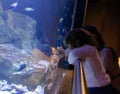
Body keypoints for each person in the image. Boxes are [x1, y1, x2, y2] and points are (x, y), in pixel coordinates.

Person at [64, 28, 118, 94]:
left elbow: (71, 57)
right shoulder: (90, 48)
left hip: (98, 86)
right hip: (98, 85)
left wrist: (68, 52)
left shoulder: (87, 49)